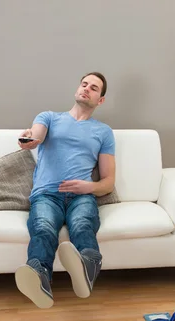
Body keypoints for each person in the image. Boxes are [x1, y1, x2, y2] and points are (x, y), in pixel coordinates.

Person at [14, 72, 116, 309]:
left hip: (82, 195)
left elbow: (109, 182)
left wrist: (88, 186)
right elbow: (36, 137)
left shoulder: (103, 132)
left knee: (82, 224)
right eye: (84, 84)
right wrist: (29, 140)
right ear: (77, 89)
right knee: (42, 227)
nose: (86, 89)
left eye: (93, 88)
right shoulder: (49, 117)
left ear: (100, 100)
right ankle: (39, 277)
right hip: (47, 194)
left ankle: (88, 266)